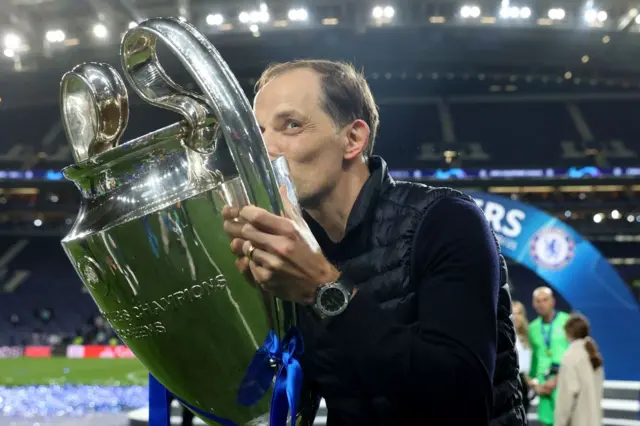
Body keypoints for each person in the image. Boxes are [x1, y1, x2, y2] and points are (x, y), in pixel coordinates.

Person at [222, 59, 525, 425]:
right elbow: (281, 400)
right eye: (258, 132)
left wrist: (322, 288)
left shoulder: (446, 220)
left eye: (291, 125)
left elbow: (464, 401)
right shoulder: (295, 249)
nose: (264, 148)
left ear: (352, 139)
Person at [528, 287, 570, 426]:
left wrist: (557, 380)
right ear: (533, 304)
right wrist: (535, 385)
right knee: (547, 422)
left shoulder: (567, 322)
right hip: (543, 385)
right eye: (538, 301)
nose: (541, 304)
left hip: (564, 382)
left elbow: (575, 355)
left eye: (545, 300)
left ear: (553, 301)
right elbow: (531, 361)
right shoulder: (532, 328)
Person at [554, 313, 604, 426]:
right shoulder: (593, 355)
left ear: (568, 332)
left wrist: (559, 423)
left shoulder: (570, 357)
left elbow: (566, 397)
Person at [512, 300, 532, 414]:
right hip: (513, 383)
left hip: (526, 384)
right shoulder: (505, 337)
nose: (516, 317)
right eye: (513, 313)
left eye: (519, 313)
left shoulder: (527, 336)